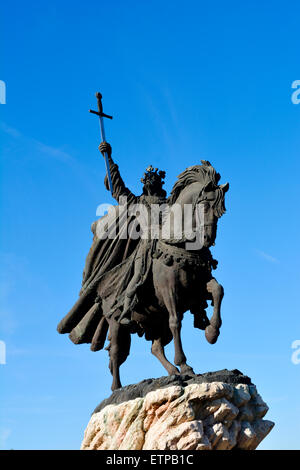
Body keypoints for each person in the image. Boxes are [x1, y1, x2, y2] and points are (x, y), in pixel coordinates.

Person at [99, 142, 167, 326]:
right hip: (145, 248)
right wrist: (109, 159)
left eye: (154, 178)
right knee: (138, 278)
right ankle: (126, 310)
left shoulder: (170, 204)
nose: (151, 181)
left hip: (167, 246)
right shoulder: (136, 202)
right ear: (144, 184)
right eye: (148, 178)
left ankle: (198, 308)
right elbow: (118, 189)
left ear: (160, 183)